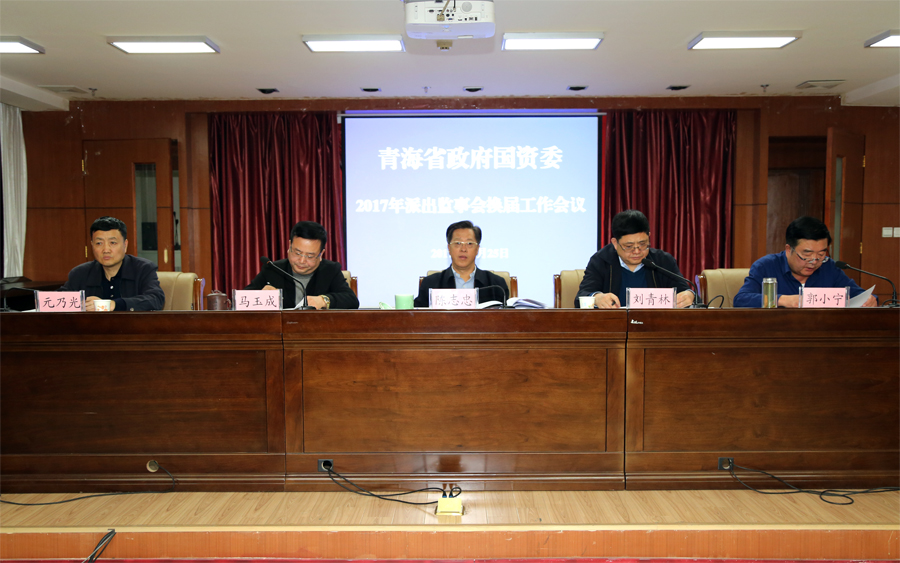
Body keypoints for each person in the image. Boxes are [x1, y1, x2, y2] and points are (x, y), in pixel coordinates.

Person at [733, 216, 877, 308]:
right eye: (806, 255)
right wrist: (783, 300)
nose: (814, 261)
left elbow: (858, 295)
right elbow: (741, 300)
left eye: (821, 254)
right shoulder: (766, 266)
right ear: (789, 249)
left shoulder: (829, 267)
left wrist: (871, 300)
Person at [576, 210, 694, 309]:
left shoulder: (662, 261)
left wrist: (689, 295)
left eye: (642, 244)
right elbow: (583, 295)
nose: (637, 251)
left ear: (649, 237)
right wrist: (597, 298)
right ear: (615, 243)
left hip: (657, 325)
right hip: (613, 326)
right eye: (629, 246)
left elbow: (685, 291)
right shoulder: (601, 261)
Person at [245, 220, 359, 310]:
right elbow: (240, 301)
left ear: (321, 254)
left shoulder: (330, 270)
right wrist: (259, 295)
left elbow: (351, 300)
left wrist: (323, 300)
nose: (302, 261)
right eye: (297, 253)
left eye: (310, 256)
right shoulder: (273, 269)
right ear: (289, 245)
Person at [59, 216, 165, 311]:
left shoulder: (143, 269)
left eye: (112, 243)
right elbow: (58, 301)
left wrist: (113, 305)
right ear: (92, 245)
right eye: (99, 243)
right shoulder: (80, 273)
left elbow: (155, 299)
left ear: (125, 245)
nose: (106, 250)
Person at [414, 220, 510, 308]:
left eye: (469, 243)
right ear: (449, 248)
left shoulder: (496, 284)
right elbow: (416, 316)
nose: (463, 249)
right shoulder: (431, 283)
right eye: (458, 243)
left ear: (477, 249)